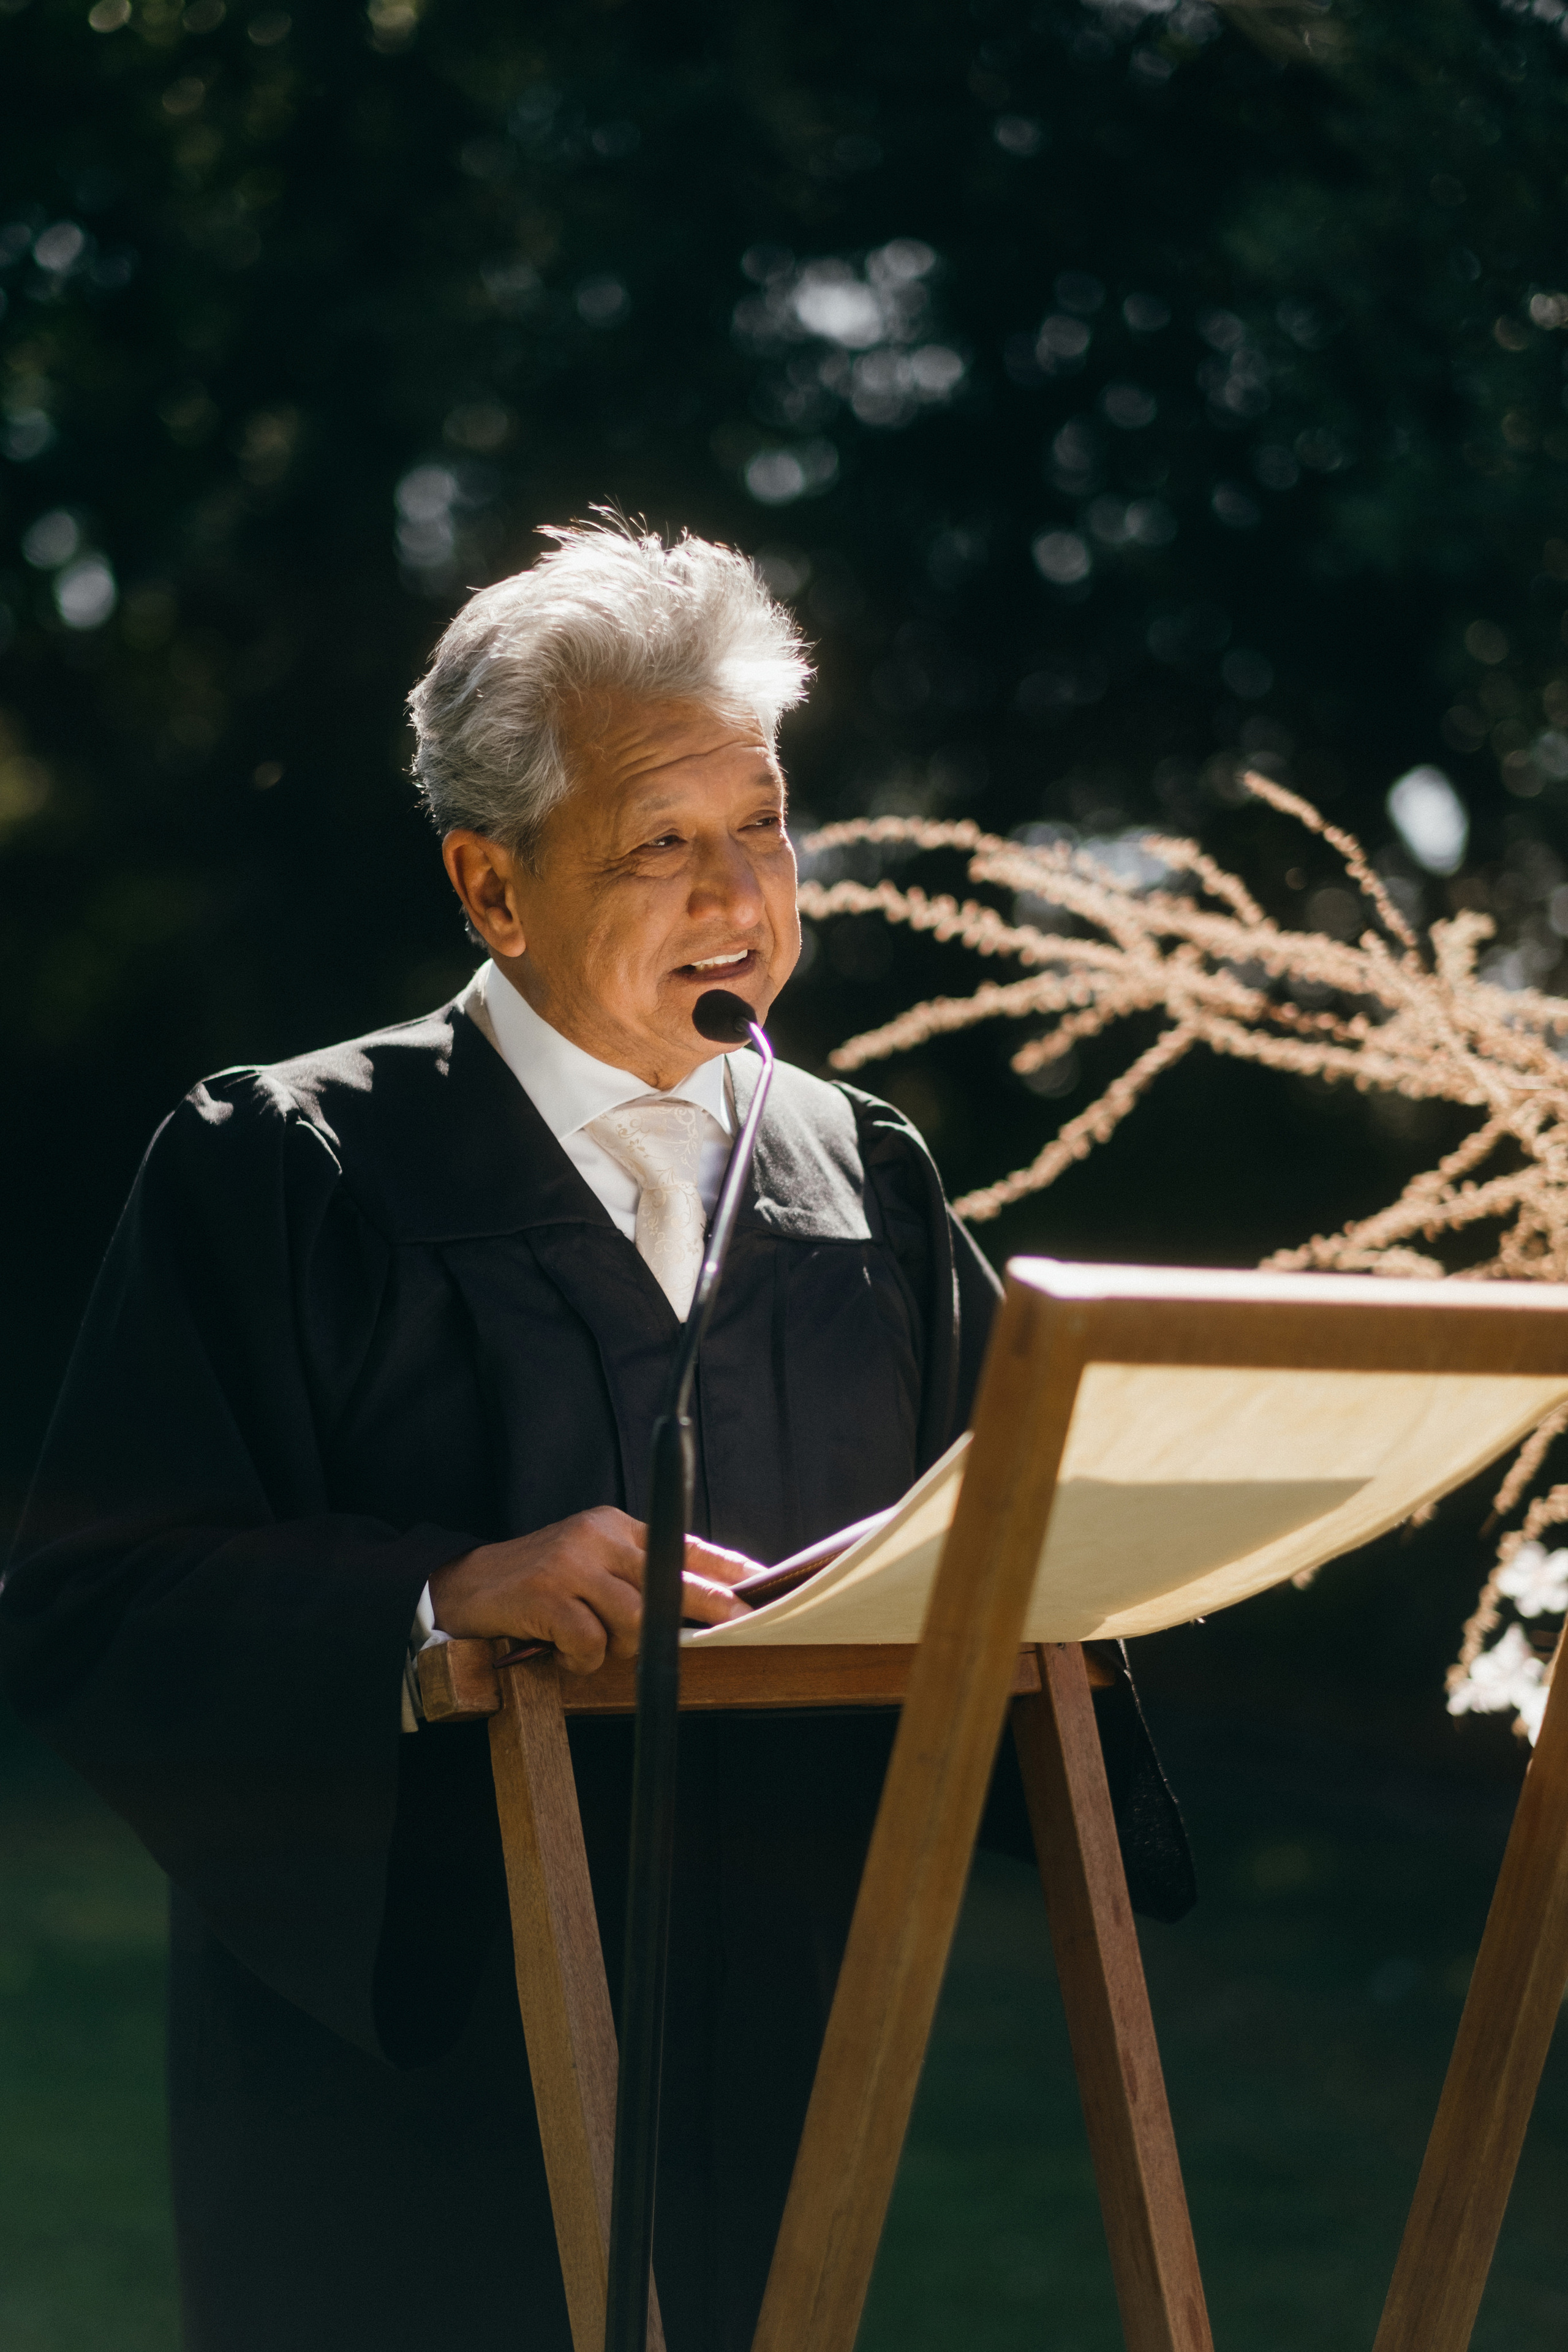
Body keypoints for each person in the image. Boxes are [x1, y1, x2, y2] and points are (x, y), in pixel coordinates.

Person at [0, 521, 1191, 2352]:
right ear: (494, 887)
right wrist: (432, 1599)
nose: (741, 898)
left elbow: (1016, 1532)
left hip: (782, 2064)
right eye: (662, 843)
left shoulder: (858, 1176)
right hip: (404, 2108)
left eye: (764, 824)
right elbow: (92, 1594)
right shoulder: (293, 1164)